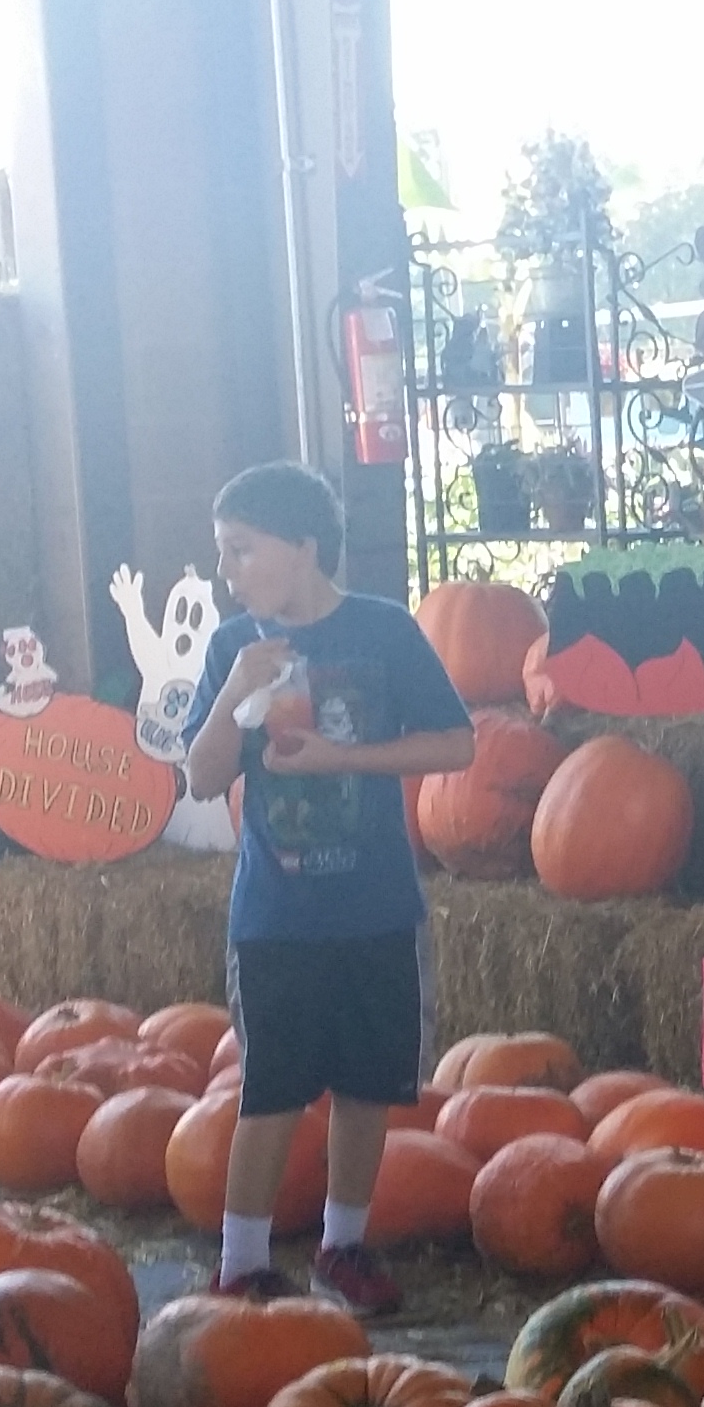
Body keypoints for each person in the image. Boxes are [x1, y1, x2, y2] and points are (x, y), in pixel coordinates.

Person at [181, 463, 477, 1313]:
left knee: (367, 1087)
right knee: (271, 1091)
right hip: (277, 916)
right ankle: (241, 1263)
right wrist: (234, 692)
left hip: (377, 908)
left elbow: (456, 745)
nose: (228, 572)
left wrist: (344, 759)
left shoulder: (384, 632)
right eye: (224, 553)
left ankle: (342, 1249)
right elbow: (201, 778)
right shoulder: (232, 648)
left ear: (304, 547)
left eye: (242, 550)